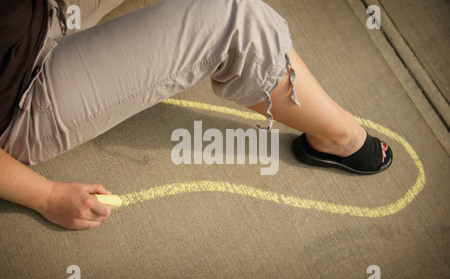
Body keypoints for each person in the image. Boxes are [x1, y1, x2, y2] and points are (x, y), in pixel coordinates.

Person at [0, 0, 392, 230]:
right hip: (23, 89)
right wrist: (47, 196)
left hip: (31, 14)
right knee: (236, 19)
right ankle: (339, 138)